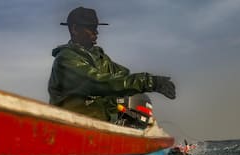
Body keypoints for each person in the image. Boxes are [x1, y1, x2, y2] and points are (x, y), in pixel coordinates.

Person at [48, 7, 176, 122]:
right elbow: (98, 83)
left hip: (101, 126)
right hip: (71, 124)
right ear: (75, 29)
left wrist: (151, 82)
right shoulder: (66, 59)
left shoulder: (101, 59)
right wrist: (150, 82)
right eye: (91, 29)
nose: (96, 33)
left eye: (96, 28)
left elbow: (121, 78)